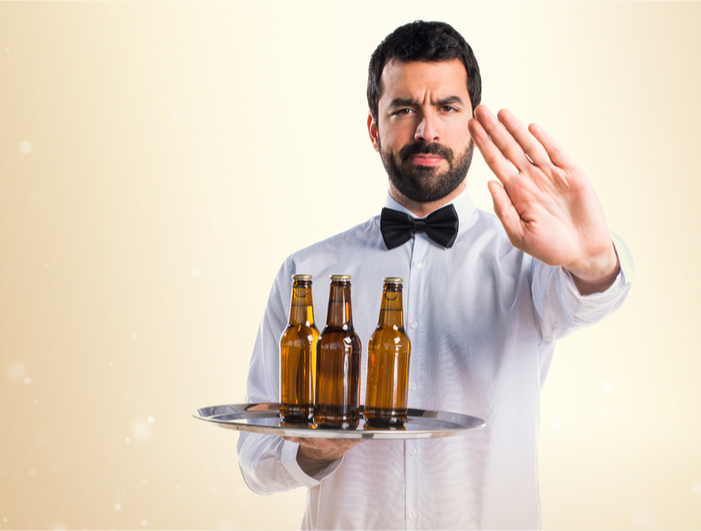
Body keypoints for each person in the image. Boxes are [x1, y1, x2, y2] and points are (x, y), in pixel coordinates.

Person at [237, 20, 633, 529]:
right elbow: (256, 461)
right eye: (404, 109)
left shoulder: (530, 262)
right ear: (374, 128)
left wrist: (592, 256)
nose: (427, 130)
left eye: (447, 107)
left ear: (474, 122)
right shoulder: (308, 275)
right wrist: (314, 453)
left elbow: (594, 295)